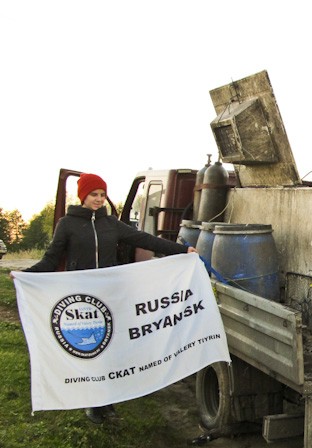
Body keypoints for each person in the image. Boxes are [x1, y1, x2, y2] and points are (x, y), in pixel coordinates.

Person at [21, 172, 198, 423]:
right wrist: (26, 275)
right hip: (80, 298)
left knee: (109, 349)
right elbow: (51, 259)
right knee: (90, 349)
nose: (99, 199)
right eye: (94, 194)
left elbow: (145, 239)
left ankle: (108, 402)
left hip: (108, 296)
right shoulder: (67, 224)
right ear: (83, 195)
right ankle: (93, 404)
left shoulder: (111, 223)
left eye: (102, 195)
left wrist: (182, 250)